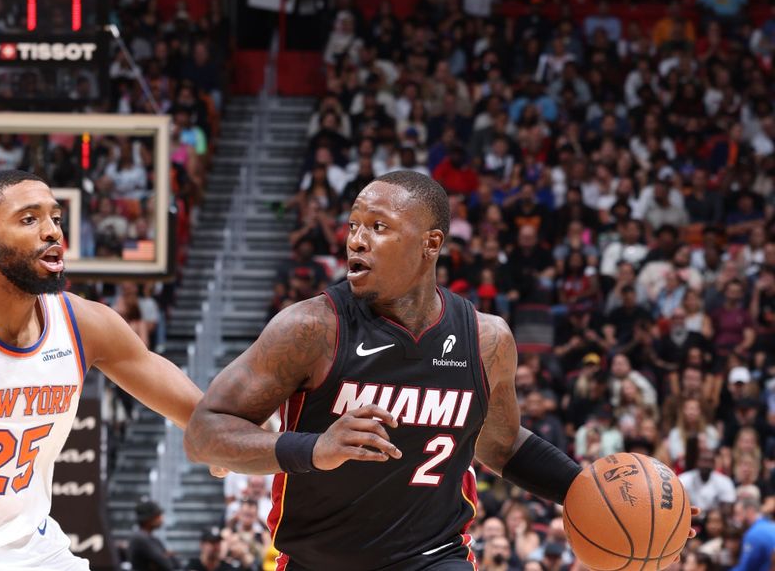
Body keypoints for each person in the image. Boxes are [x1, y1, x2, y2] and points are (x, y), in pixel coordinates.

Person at [185, 171, 698, 570]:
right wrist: (313, 450)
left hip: (432, 556)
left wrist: (615, 503)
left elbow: (501, 444)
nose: (357, 241)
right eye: (354, 226)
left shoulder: (487, 339)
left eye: (379, 227)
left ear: (431, 244)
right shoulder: (310, 329)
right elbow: (205, 433)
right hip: (315, 559)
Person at [0, 171, 220, 570]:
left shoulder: (83, 323)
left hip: (39, 553)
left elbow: (202, 416)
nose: (52, 231)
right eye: (29, 219)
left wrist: (233, 442)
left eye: (55, 217)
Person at [730, 486, 775, 571]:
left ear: (749, 511)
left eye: (738, 514)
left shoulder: (754, 534)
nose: (736, 519)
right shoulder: (771, 526)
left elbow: (746, 568)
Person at [127, 499, 180, 571]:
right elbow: (166, 565)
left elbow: (176, 564)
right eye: (158, 516)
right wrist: (165, 556)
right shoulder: (140, 538)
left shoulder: (154, 539)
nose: (161, 518)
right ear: (148, 519)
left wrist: (164, 557)